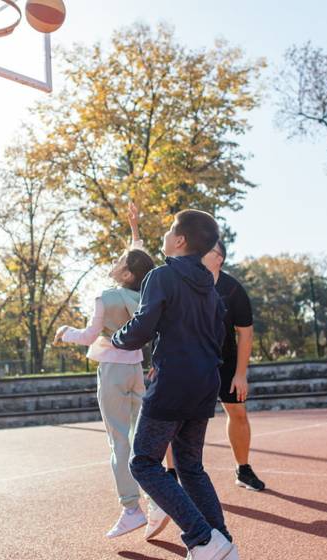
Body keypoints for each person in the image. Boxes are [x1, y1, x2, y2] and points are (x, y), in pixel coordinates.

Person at [113, 210, 239, 560]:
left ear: (180, 240)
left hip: (172, 383)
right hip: (203, 383)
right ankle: (222, 543)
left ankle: (202, 538)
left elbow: (141, 328)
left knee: (144, 463)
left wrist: (116, 339)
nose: (166, 235)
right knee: (190, 465)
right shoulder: (211, 290)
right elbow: (217, 340)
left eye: (170, 230)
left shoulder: (161, 276)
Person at [53, 205, 156, 539]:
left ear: (126, 273)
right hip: (137, 370)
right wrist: (135, 228)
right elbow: (140, 258)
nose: (118, 259)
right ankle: (157, 500)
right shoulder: (143, 295)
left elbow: (87, 336)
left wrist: (66, 331)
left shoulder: (105, 297)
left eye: (121, 259)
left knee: (118, 441)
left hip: (111, 371)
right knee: (142, 440)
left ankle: (131, 509)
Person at [201, 240, 265, 491]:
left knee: (238, 412)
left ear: (219, 258)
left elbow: (246, 333)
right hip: (192, 360)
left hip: (225, 361)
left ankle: (243, 469)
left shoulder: (233, 289)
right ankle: (175, 473)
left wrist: (240, 374)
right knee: (183, 418)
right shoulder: (186, 284)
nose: (199, 253)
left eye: (205, 250)